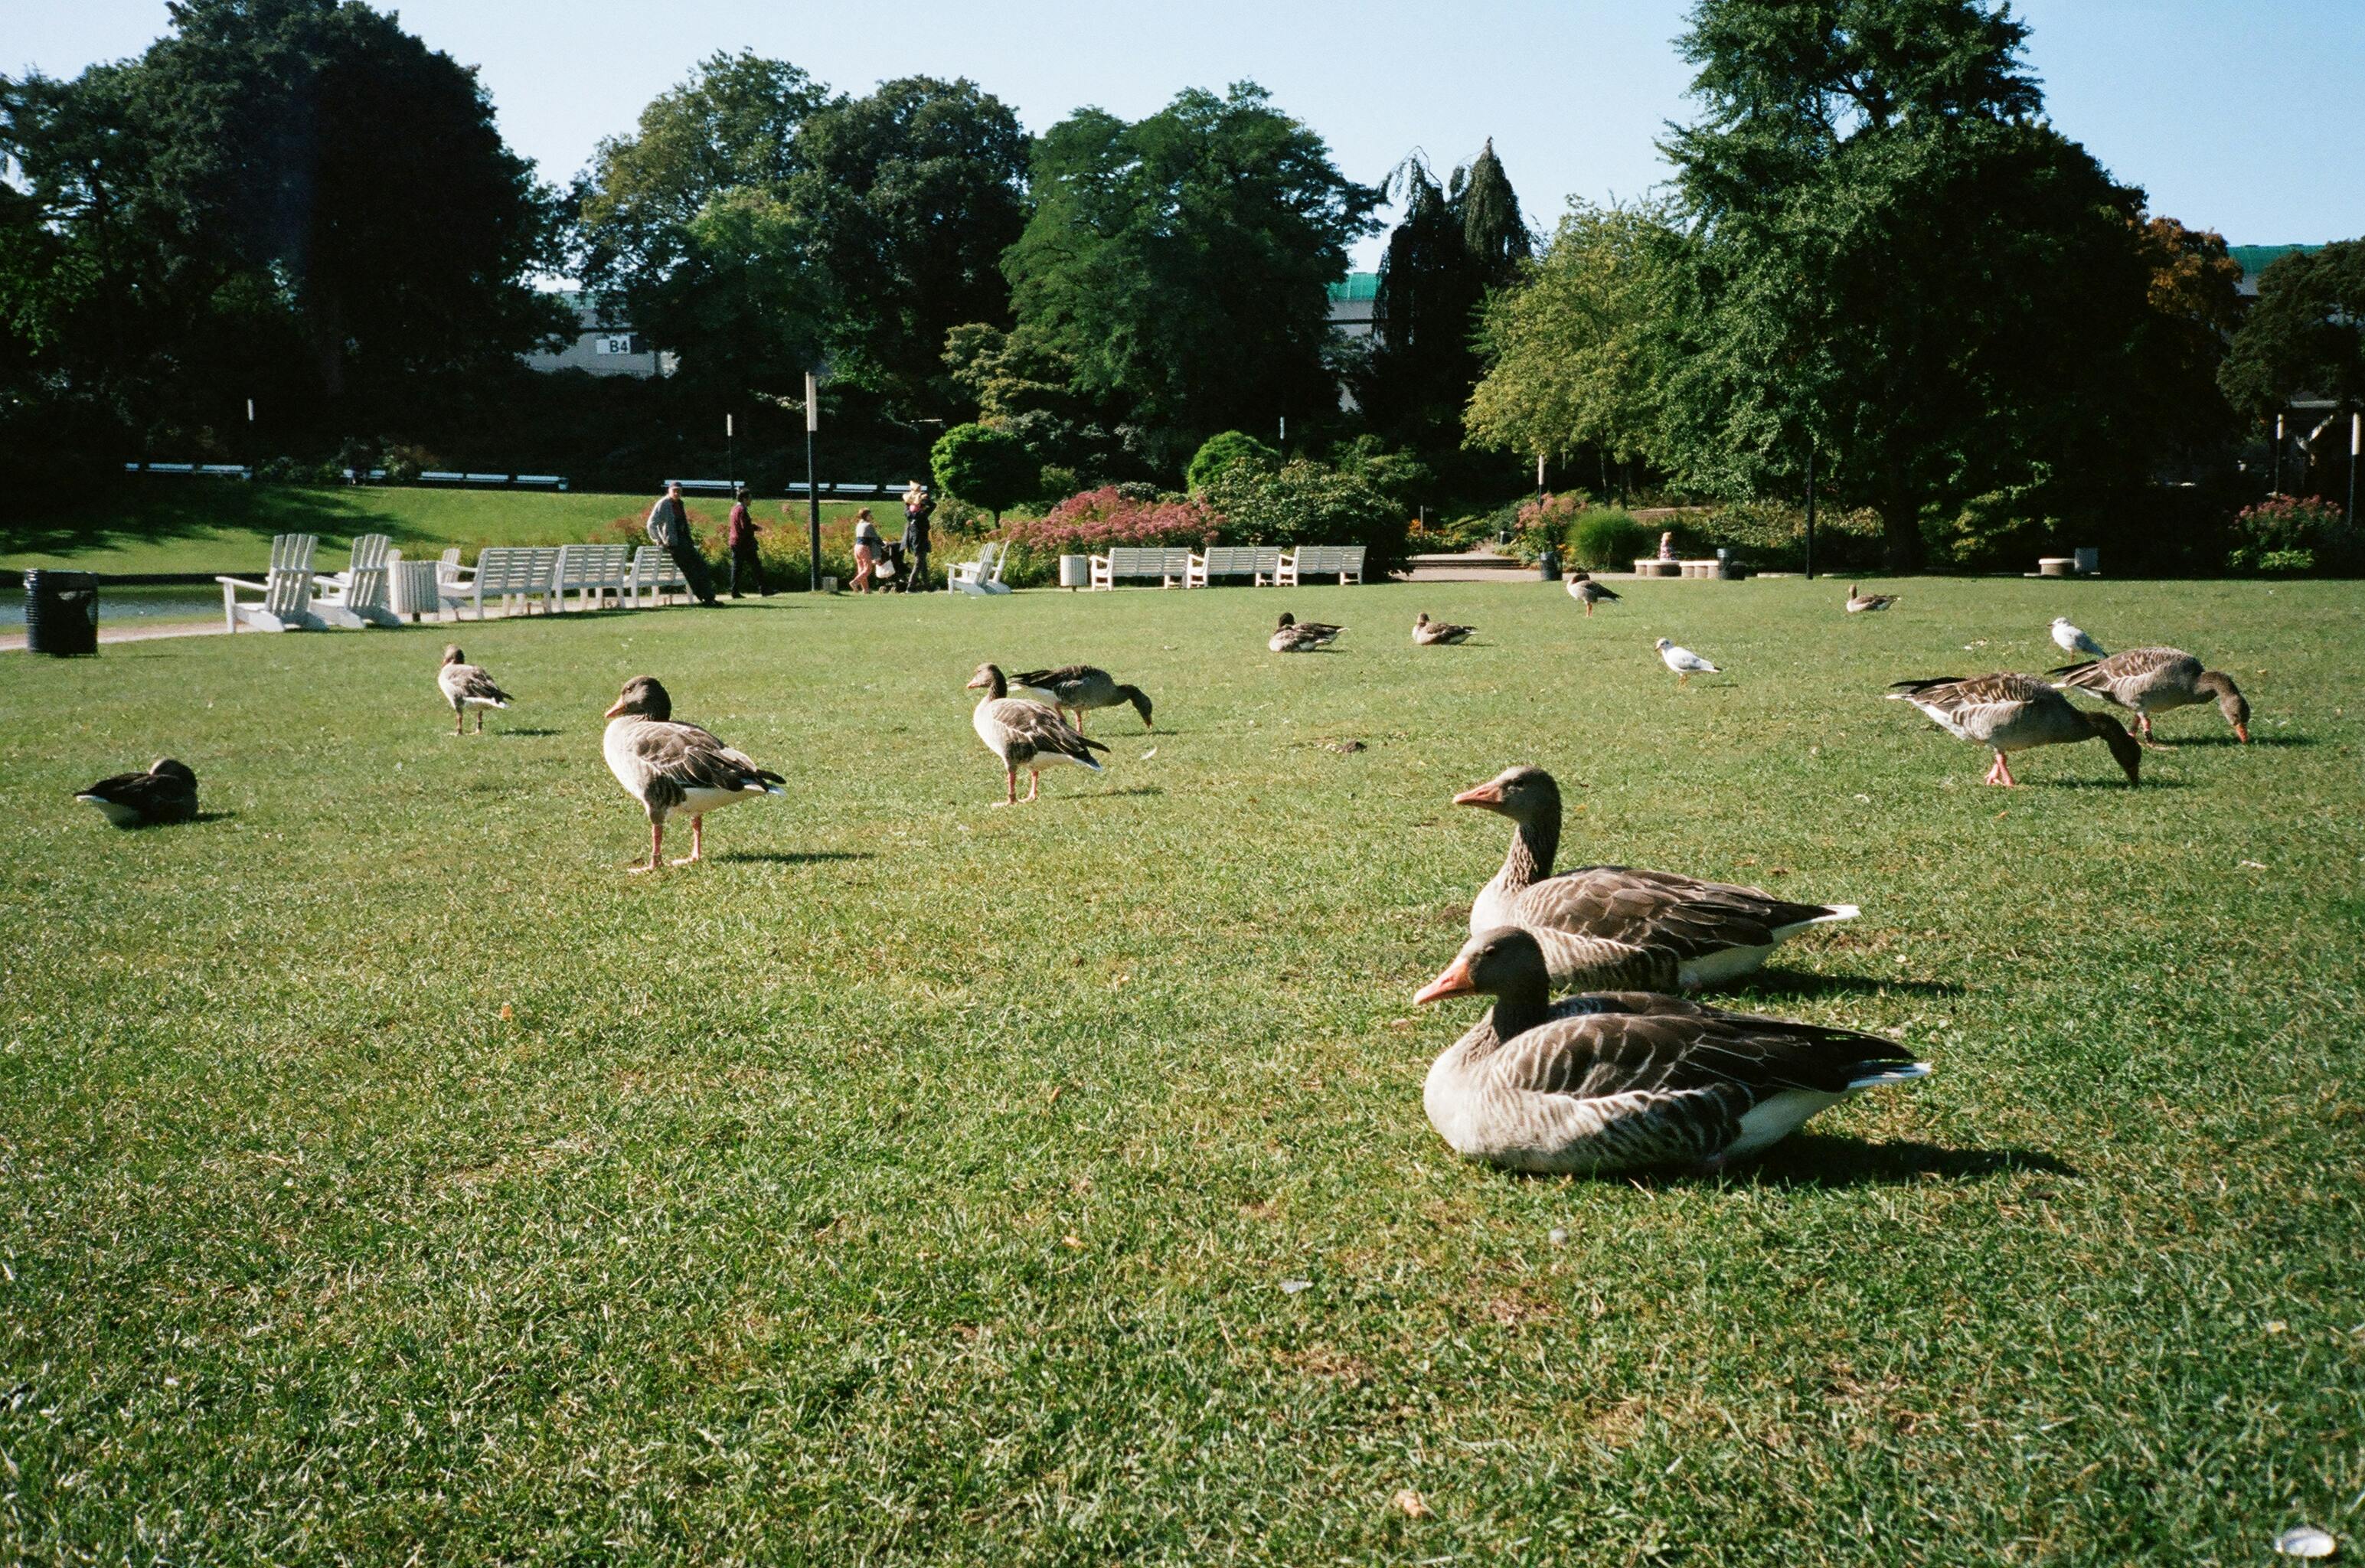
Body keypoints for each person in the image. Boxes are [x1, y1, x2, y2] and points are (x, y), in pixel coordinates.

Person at [645, 482, 718, 606]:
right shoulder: (664, 504)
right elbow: (651, 524)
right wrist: (658, 540)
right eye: (674, 490)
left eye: (679, 491)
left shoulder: (680, 503)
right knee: (691, 571)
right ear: (669, 491)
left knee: (702, 566)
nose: (677, 493)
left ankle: (710, 597)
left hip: (685, 540)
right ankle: (705, 598)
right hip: (674, 543)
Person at [726, 486, 766, 598]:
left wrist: (753, 527)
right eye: (750, 498)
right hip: (743, 543)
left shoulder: (734, 509)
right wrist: (754, 529)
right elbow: (745, 527)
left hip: (735, 542)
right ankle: (764, 589)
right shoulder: (742, 510)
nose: (751, 500)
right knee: (756, 566)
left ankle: (734, 591)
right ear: (744, 499)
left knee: (737, 568)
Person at [901, 481, 935, 592]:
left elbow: (908, 506)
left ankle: (928, 586)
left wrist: (914, 498)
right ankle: (910, 587)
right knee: (919, 563)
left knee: (923, 564)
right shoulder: (921, 514)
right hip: (919, 540)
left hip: (915, 540)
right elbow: (933, 505)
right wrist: (922, 499)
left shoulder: (909, 513)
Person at [851, 507, 884, 593]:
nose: (871, 517)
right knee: (868, 569)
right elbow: (876, 538)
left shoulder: (859, 524)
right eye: (870, 515)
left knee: (861, 569)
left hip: (857, 548)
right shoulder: (869, 526)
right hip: (864, 547)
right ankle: (855, 582)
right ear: (866, 516)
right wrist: (884, 544)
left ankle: (866, 589)